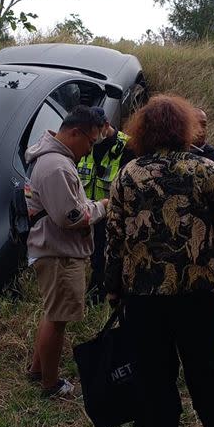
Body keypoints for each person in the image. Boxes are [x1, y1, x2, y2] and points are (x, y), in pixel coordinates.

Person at [104, 93, 214, 427]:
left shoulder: (127, 175)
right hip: (197, 290)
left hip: (143, 292)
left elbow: (115, 238)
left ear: (143, 130)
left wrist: (113, 288)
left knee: (153, 369)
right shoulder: (209, 171)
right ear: (184, 127)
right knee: (206, 366)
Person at [25, 105, 110, 398]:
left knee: (53, 314)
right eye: (90, 141)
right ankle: (51, 385)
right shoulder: (56, 166)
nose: (90, 149)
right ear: (75, 132)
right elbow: (70, 217)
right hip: (59, 252)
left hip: (55, 248)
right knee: (57, 319)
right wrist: (102, 207)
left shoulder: (56, 161)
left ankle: (38, 370)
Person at [77, 118, 135, 303]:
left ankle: (100, 294)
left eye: (97, 130)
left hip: (112, 211)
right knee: (93, 253)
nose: (94, 137)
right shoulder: (86, 141)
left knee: (106, 254)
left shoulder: (127, 146)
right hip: (88, 210)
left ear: (106, 124)